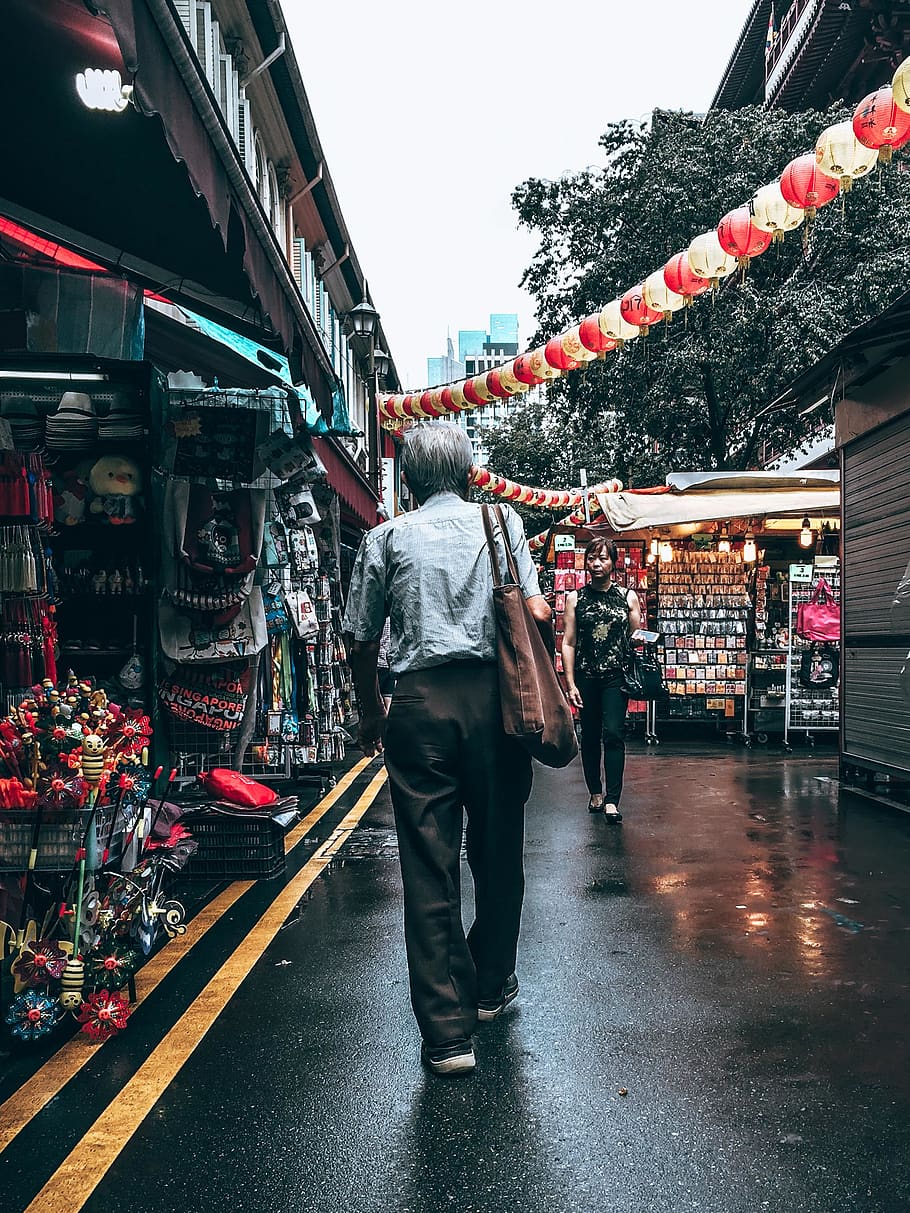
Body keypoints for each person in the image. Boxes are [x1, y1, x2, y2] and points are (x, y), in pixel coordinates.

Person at [343, 422, 552, 1077]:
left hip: (419, 706)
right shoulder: (503, 522)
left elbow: (359, 637)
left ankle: (447, 1036)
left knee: (428, 870)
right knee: (497, 852)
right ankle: (490, 984)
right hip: (497, 703)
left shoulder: (387, 536)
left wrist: (373, 714)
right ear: (469, 473)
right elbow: (539, 611)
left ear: (407, 480)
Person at [561, 536, 641, 821]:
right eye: (592, 558)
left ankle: (612, 800)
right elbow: (568, 642)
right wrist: (569, 684)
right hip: (586, 676)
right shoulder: (576, 598)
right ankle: (595, 792)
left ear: (613, 563)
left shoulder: (627, 597)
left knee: (614, 734)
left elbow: (636, 641)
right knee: (591, 736)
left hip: (616, 678)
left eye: (603, 558)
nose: (596, 564)